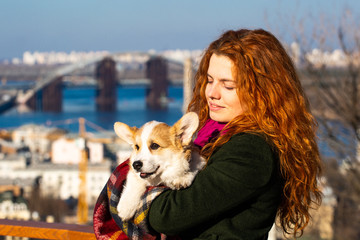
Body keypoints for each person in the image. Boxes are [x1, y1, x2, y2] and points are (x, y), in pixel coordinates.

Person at [93, 28, 322, 240]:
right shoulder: (213, 135)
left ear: (262, 92)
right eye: (210, 80)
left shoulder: (251, 150)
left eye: (228, 86)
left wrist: (138, 186)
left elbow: (169, 216)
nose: (211, 93)